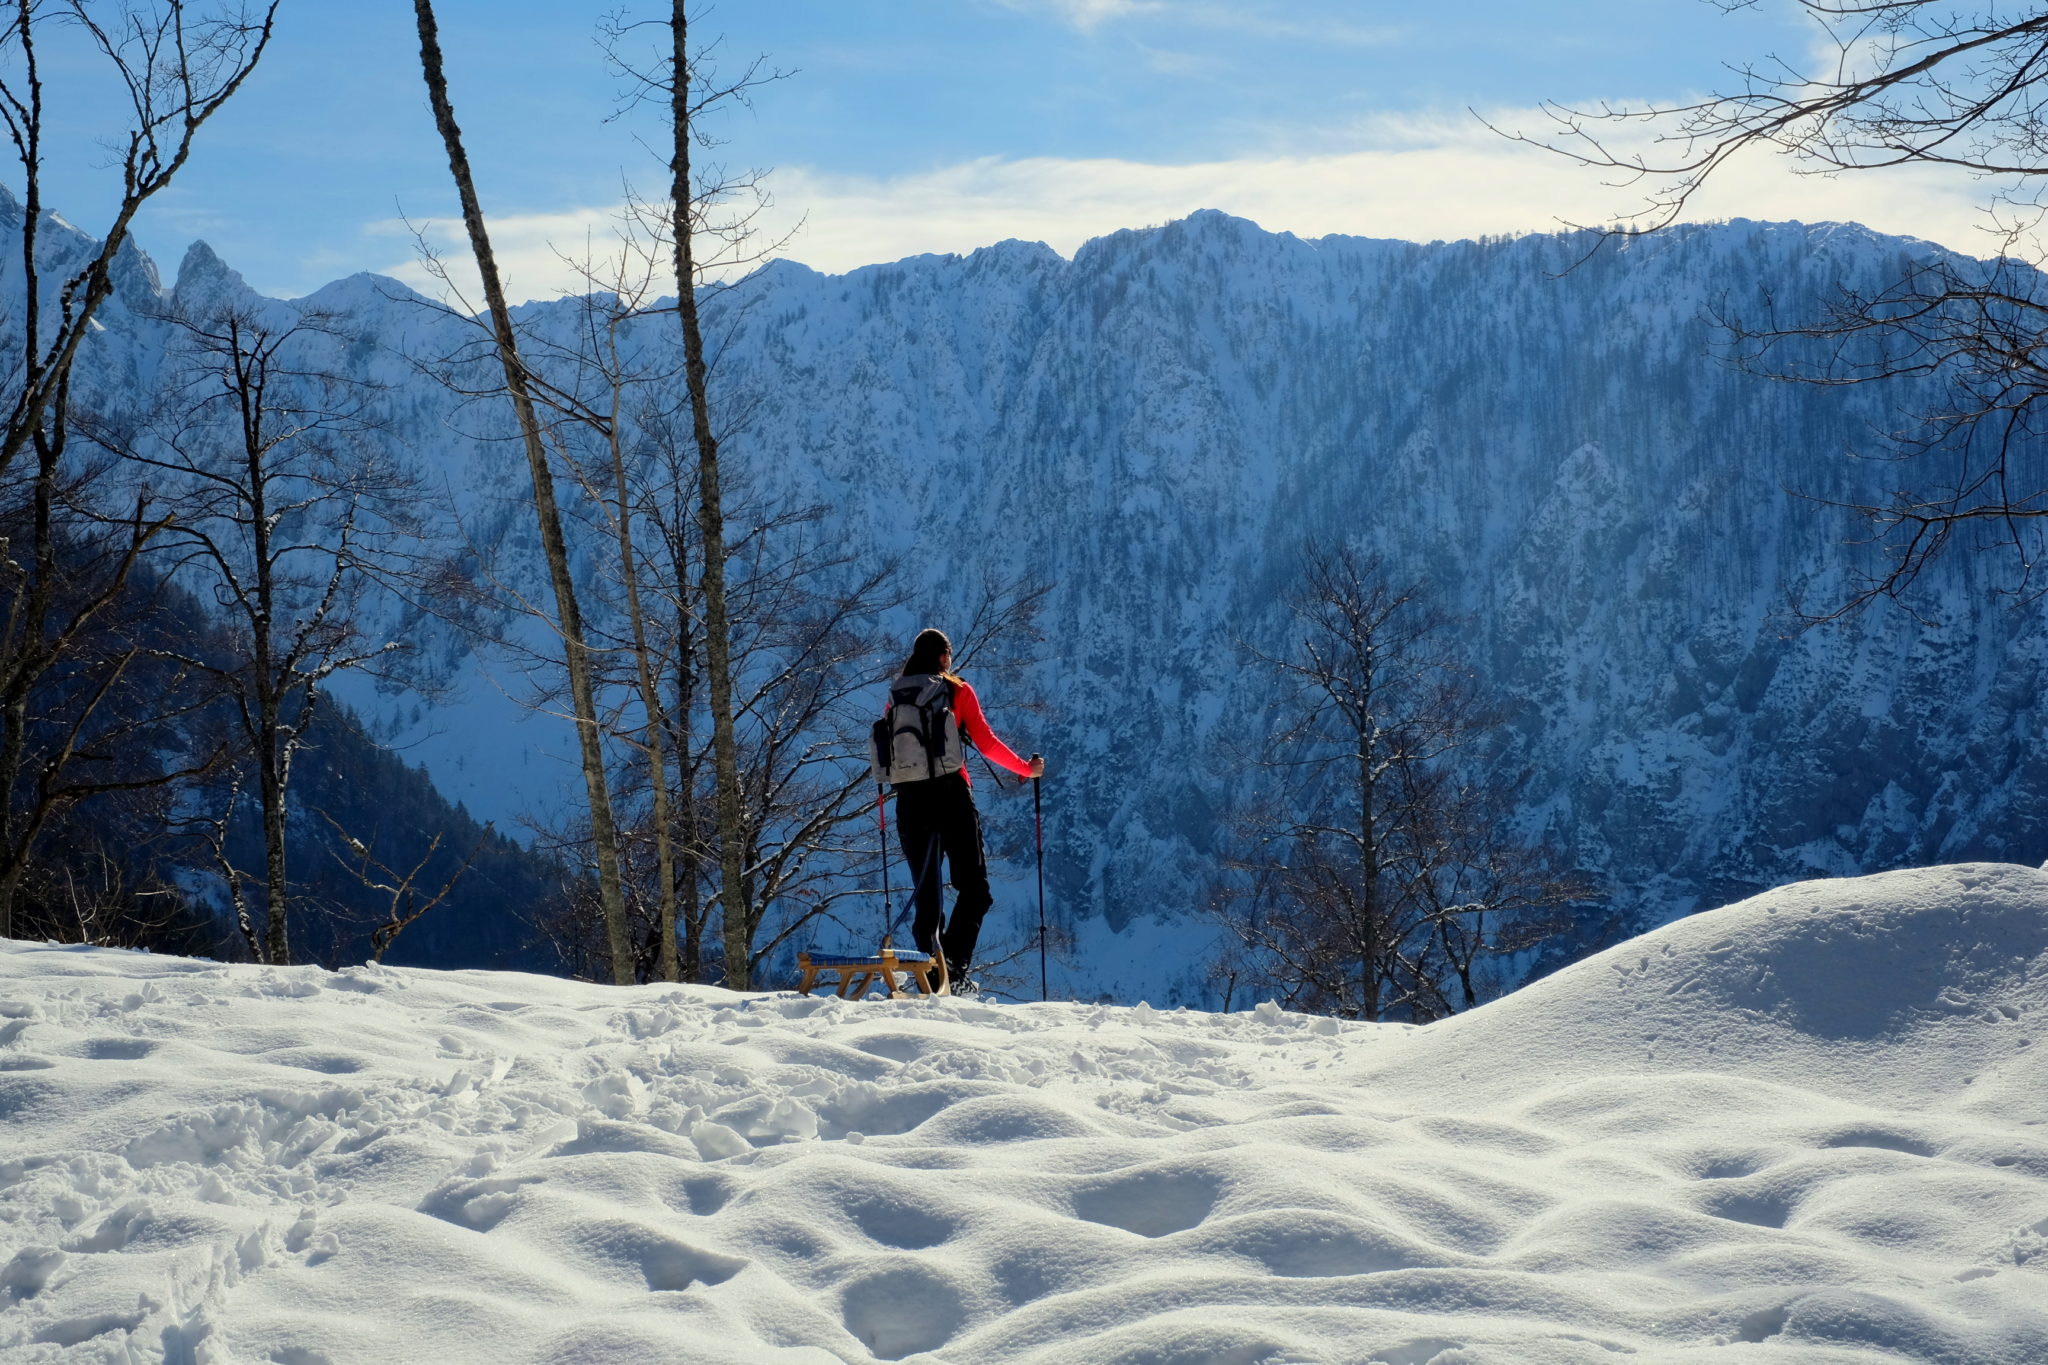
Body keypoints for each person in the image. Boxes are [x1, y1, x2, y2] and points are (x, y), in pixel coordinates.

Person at [882, 627, 1043, 991]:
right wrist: (1025, 769)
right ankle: (952, 972)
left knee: (928, 895)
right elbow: (986, 742)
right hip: (951, 795)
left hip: (909, 800)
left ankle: (931, 978)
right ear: (943, 657)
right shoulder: (956, 690)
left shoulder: (897, 695)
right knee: (975, 890)